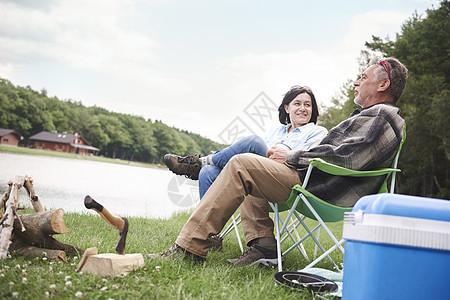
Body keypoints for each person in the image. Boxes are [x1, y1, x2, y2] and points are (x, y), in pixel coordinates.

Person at [148, 57, 408, 266]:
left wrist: (293, 156)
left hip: (321, 186)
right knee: (247, 168)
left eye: (363, 78)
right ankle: (263, 245)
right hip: (316, 179)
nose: (356, 82)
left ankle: (189, 247)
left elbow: (350, 157)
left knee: (242, 163)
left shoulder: (384, 117)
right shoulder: (373, 115)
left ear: (383, 85)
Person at [164, 85, 328, 199]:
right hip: (259, 172)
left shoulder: (318, 132)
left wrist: (284, 154)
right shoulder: (277, 131)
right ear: (287, 108)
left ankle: (199, 162)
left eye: (308, 105)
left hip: (287, 178)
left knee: (254, 142)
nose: (303, 108)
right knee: (207, 172)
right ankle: (205, 236)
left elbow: (309, 159)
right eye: (297, 103)